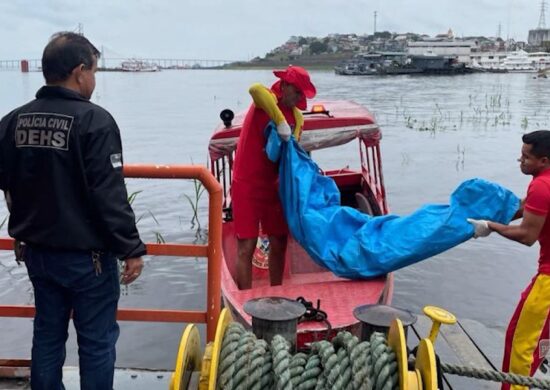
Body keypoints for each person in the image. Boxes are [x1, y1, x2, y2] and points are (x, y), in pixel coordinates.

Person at [0, 32, 146, 389]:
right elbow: (108, 194)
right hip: (88, 260)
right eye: (94, 71)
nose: (94, 80)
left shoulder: (12, 121)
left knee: (47, 336)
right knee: (96, 342)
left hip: (38, 254)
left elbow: (7, 184)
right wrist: (131, 247)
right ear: (79, 71)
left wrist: (20, 231)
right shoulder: (94, 121)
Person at [468, 130, 550, 390]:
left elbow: (527, 235)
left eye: (526, 157)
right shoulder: (545, 181)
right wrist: (488, 217)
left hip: (549, 281)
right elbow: (526, 207)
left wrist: (490, 226)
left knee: (520, 343)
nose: (520, 160)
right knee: (539, 340)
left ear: (544, 160)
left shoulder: (541, 185)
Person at [231, 65, 316, 290]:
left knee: (279, 241)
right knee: (246, 246)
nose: (298, 98)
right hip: (246, 184)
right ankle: (245, 300)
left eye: (301, 94)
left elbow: (292, 157)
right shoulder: (266, 98)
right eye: (296, 91)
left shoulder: (298, 118)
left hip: (275, 186)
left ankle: (277, 294)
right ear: (285, 85)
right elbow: (254, 88)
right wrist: (278, 121)